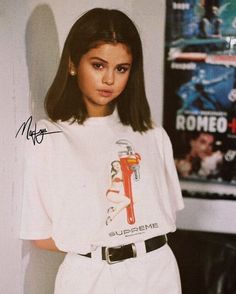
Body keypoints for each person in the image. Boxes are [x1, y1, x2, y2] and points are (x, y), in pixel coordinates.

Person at [20, 8, 184, 294]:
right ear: (73, 64)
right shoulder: (49, 137)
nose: (109, 79)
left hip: (157, 272)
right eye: (98, 65)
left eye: (121, 68)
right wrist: (102, 242)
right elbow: (39, 235)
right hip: (91, 277)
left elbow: (164, 216)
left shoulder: (152, 134)